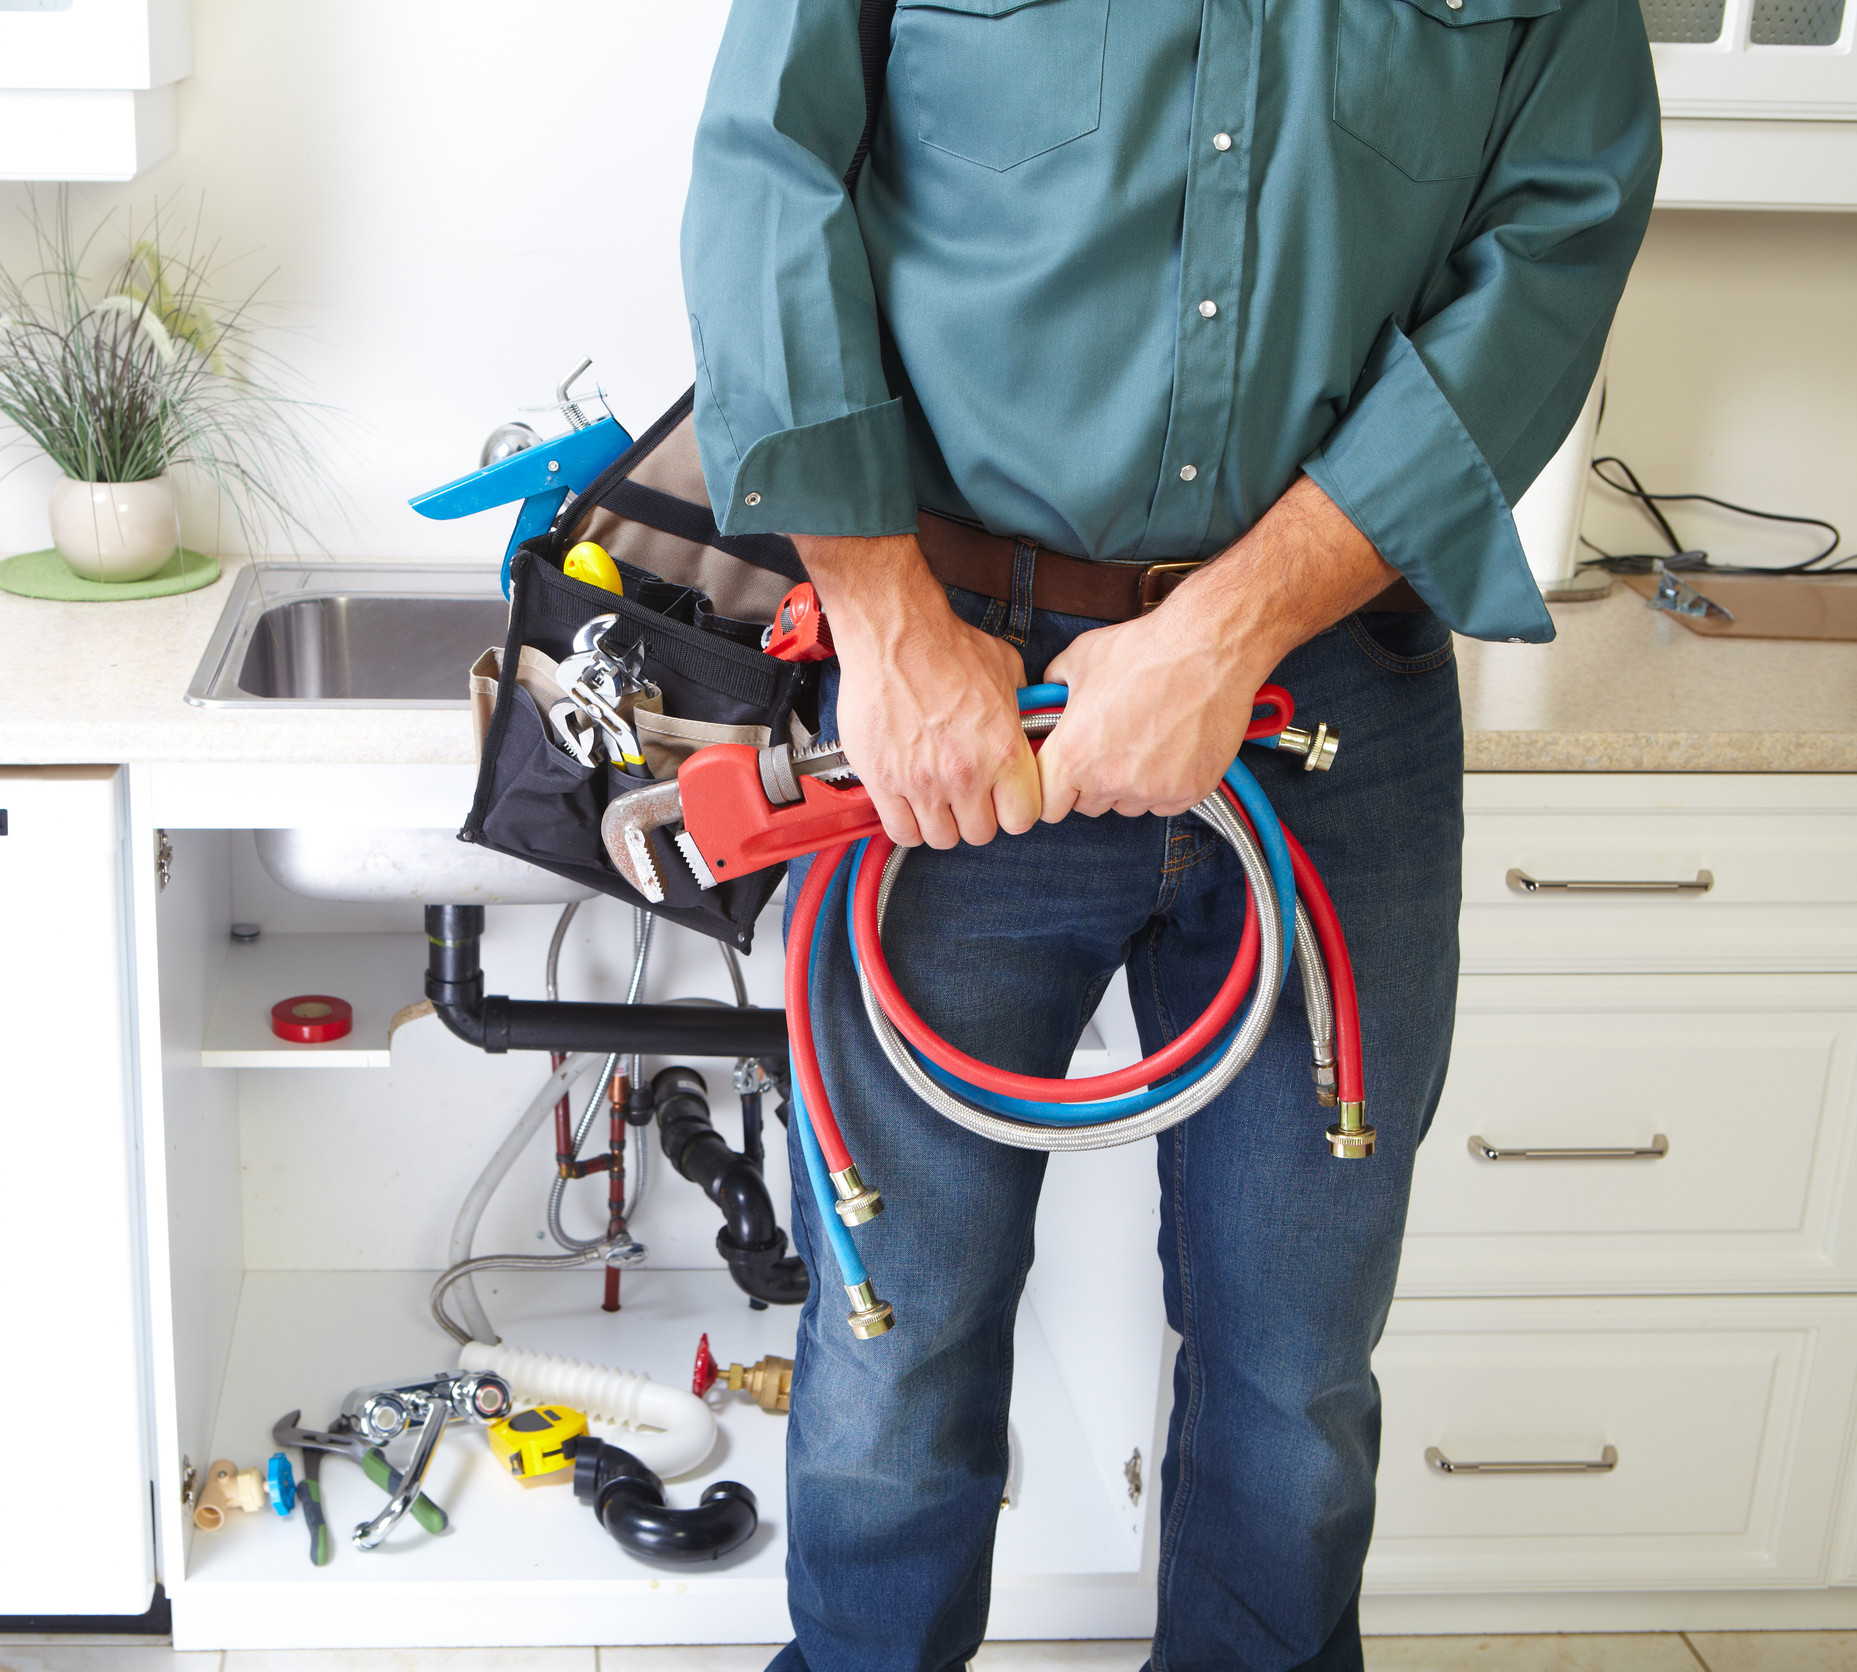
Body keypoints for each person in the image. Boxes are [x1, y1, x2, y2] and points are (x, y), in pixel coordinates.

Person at [680, 0, 1661, 1666]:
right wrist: (888, 625)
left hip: (1328, 704)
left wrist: (1225, 632)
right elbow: (768, 173)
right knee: (897, 1339)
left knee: (1296, 1372)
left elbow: (1557, 238)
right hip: (959, 691)